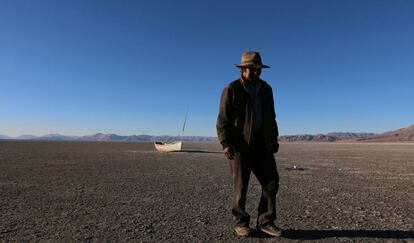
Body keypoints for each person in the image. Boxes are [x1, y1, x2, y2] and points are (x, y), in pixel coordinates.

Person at [216, 51, 282, 237]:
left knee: (271, 182)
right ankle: (240, 222)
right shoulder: (232, 89)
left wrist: (273, 139)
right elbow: (223, 120)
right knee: (241, 185)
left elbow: (271, 117)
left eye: (257, 69)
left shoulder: (266, 89)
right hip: (239, 146)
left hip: (262, 144)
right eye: (251, 69)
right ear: (243, 69)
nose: (255, 72)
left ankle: (266, 221)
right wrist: (225, 143)